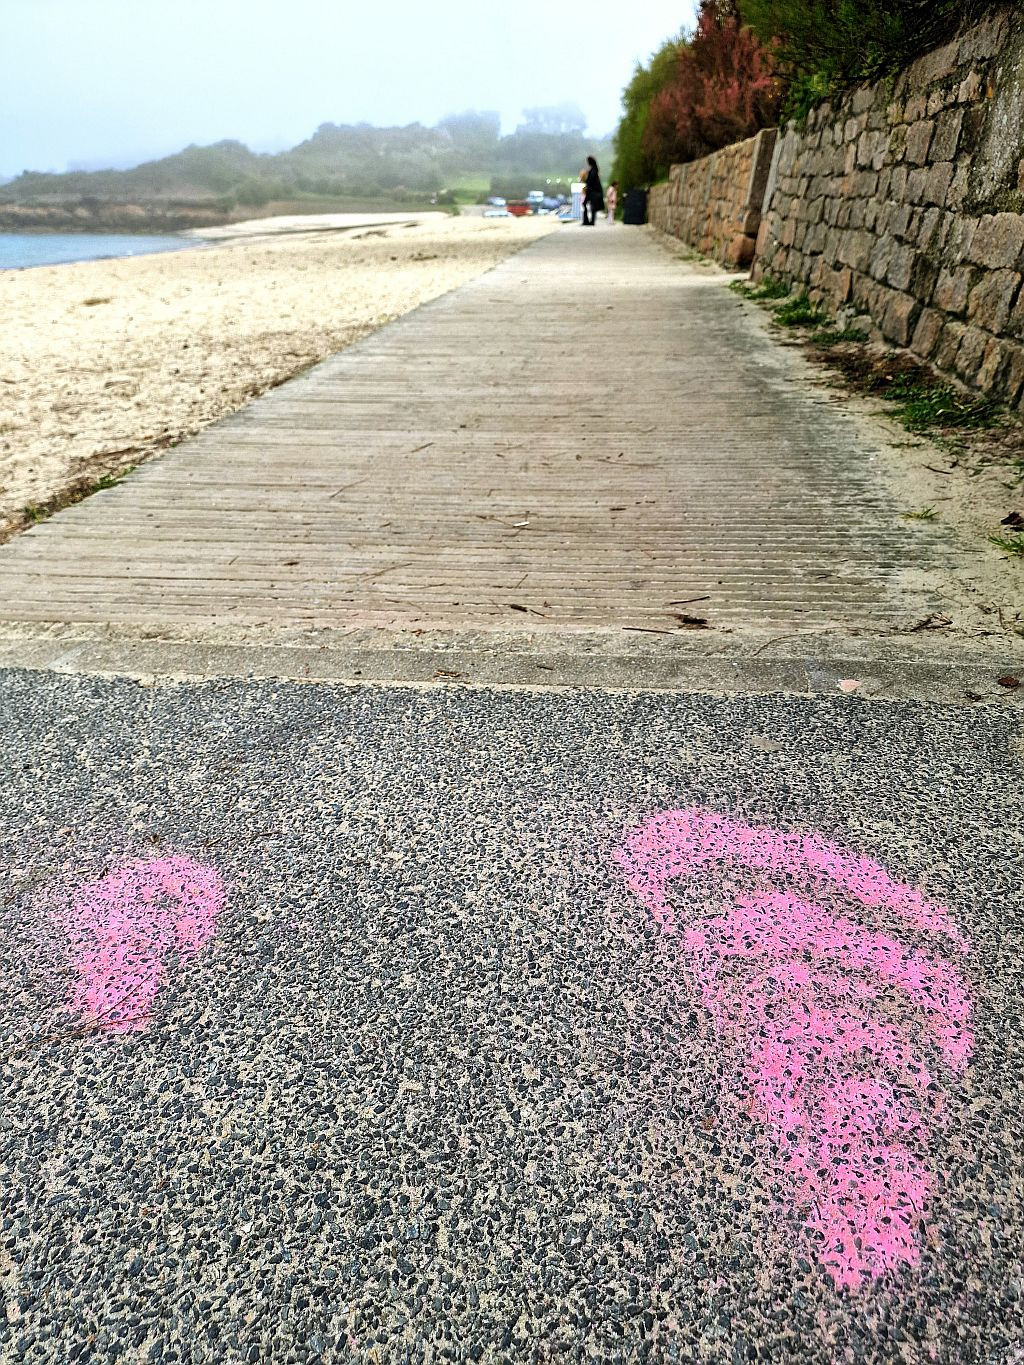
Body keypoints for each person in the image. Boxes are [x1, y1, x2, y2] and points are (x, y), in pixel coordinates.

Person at [579, 156, 605, 226]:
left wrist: (586, 182)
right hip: (591, 190)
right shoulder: (594, 169)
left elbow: (590, 180)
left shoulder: (594, 170)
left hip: (593, 191)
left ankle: (589, 221)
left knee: (591, 205)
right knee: (590, 205)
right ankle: (588, 221)